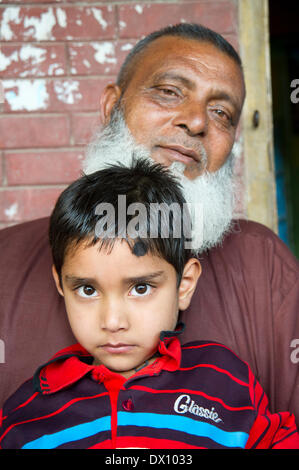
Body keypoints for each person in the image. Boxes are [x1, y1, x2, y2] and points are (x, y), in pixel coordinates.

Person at [0, 23, 298, 427]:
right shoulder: (6, 260)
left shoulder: (264, 261)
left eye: (220, 112)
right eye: (170, 91)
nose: (195, 121)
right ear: (112, 107)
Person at [1, 158, 298, 449]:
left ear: (184, 285)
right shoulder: (29, 411)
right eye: (88, 290)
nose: (113, 321)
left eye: (141, 288)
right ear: (60, 284)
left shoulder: (225, 381)